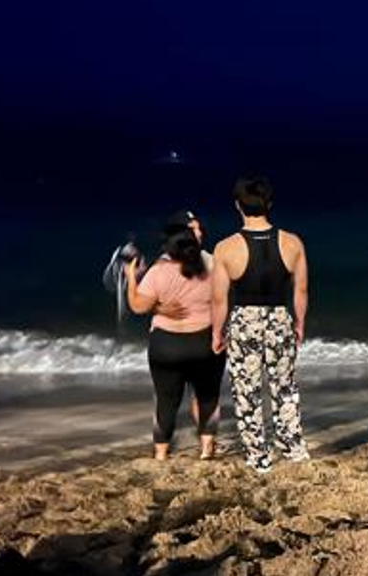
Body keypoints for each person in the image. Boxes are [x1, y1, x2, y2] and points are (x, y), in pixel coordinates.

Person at [211, 177, 311, 474]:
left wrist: (217, 332)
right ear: (269, 204)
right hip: (280, 317)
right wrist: (300, 323)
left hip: (245, 320)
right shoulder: (292, 242)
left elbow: (219, 299)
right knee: (284, 387)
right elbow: (301, 290)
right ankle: (293, 447)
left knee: (247, 390)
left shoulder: (226, 248)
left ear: (237, 206)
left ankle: (259, 456)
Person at [125, 226, 225, 460]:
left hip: (166, 345)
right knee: (207, 397)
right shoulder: (210, 269)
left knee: (166, 401)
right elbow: (222, 303)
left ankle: (161, 453)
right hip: (203, 343)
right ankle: (207, 449)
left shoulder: (158, 272)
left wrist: (131, 278)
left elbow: (138, 306)